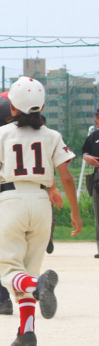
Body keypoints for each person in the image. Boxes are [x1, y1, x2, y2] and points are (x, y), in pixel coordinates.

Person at [0, 76, 82, 346]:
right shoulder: (53, 136)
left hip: (11, 201)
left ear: (12, 108)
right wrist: (75, 214)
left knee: (10, 270)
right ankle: (27, 334)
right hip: (41, 202)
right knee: (28, 269)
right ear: (42, 104)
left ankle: (38, 283)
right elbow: (66, 178)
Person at [82, 107, 99, 259]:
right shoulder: (94, 136)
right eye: (96, 117)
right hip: (97, 179)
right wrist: (87, 157)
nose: (96, 120)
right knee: (98, 215)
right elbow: (85, 151)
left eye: (98, 117)